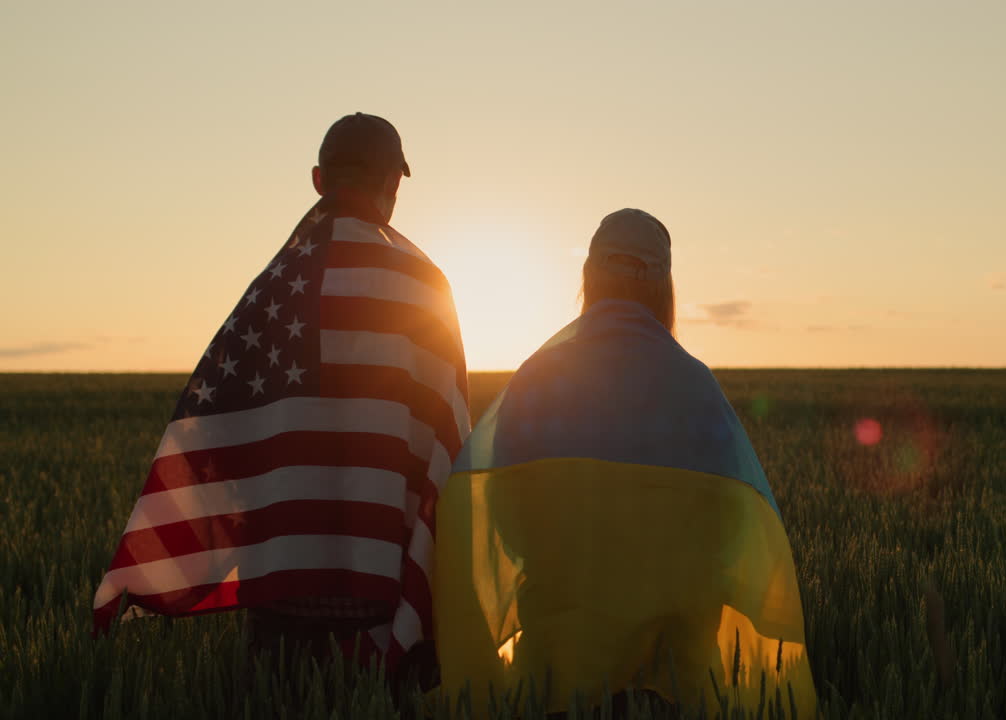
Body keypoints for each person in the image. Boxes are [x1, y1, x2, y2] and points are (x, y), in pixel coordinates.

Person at [93, 113, 470, 676]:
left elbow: (215, 429)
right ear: (393, 184)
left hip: (280, 590)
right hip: (382, 585)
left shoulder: (271, 289)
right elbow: (449, 442)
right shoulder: (425, 285)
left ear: (318, 180)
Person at [432, 209, 817, 717]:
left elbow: (501, 517)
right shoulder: (697, 388)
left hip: (553, 671)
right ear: (664, 289)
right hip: (678, 676)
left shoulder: (535, 380)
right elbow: (732, 531)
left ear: (589, 280)